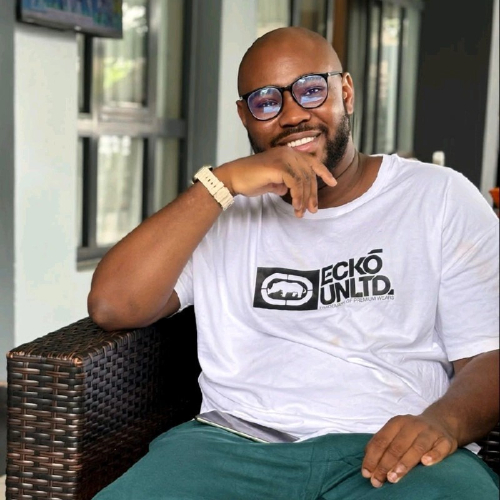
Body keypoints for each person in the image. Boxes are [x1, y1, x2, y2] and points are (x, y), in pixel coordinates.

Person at [88, 27, 499, 499]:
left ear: (346, 92)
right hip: (230, 446)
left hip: (392, 451)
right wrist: (219, 184)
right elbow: (113, 306)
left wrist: (442, 423)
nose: (292, 115)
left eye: (311, 90)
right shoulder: (223, 212)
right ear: (245, 117)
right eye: (266, 102)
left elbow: (488, 354)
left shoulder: (438, 196)